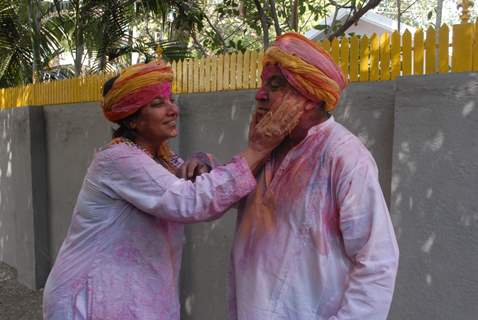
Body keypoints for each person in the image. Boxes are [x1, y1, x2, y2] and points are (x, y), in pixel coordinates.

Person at [42, 59, 305, 319]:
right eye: (158, 104)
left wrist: (202, 163)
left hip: (138, 291)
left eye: (171, 101)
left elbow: (208, 191)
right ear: (132, 120)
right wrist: (259, 147)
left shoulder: (163, 158)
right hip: (92, 294)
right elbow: (193, 201)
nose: (173, 110)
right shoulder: (118, 159)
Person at [227, 33, 400, 320]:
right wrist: (202, 165)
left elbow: (377, 262)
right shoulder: (263, 148)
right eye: (263, 83)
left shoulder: (345, 156)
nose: (260, 94)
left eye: (275, 85)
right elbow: (217, 195)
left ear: (308, 97)